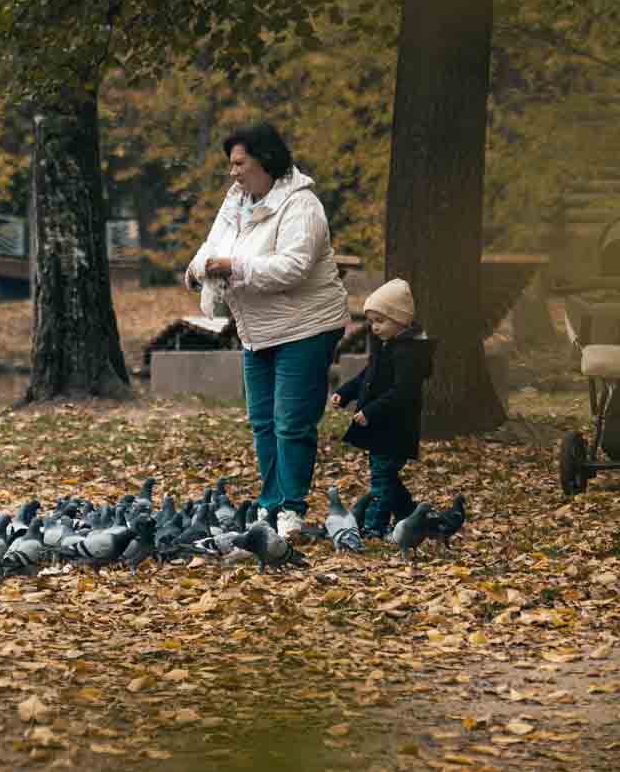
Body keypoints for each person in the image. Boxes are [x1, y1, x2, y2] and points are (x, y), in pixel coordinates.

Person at [185, 122, 349, 540]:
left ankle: (289, 509)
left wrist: (234, 268)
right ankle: (271, 504)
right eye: (231, 164)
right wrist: (197, 268)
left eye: (240, 163)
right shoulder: (238, 200)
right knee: (262, 421)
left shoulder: (302, 205)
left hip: (306, 326)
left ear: (265, 160)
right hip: (257, 328)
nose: (234, 172)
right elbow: (213, 244)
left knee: (291, 422)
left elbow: (294, 266)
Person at [329, 278, 437, 539]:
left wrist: (371, 411)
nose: (374, 328)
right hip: (382, 428)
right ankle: (409, 514)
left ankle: (375, 526)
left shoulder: (409, 354)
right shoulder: (388, 346)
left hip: (395, 428)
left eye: (381, 321)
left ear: (401, 320)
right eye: (372, 321)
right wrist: (345, 393)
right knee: (386, 476)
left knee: (381, 478)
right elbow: (369, 376)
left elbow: (403, 393)